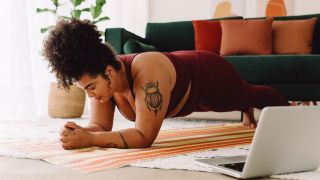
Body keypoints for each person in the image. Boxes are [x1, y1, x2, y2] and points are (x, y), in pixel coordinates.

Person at [42, 19, 289, 150]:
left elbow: (144, 137)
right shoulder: (105, 84)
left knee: (247, 95)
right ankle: (246, 108)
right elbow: (99, 125)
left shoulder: (146, 71)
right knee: (243, 100)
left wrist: (92, 140)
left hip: (207, 73)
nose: (91, 95)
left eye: (91, 87)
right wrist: (81, 133)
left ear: (108, 71)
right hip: (181, 79)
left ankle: (290, 112)